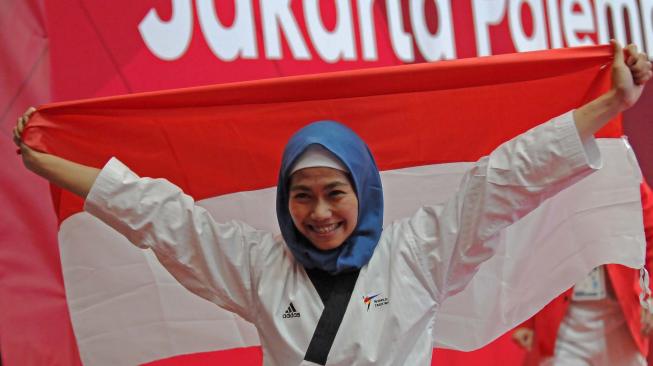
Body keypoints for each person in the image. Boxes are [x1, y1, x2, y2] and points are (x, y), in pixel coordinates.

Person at [13, 42, 652, 365]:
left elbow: (506, 179)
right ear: (285, 200)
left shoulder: (420, 252)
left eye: (335, 194)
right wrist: (54, 166)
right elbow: (160, 217)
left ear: (364, 193)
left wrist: (604, 107)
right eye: (303, 196)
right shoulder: (256, 265)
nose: (319, 213)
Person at [512, 180, 653, 366]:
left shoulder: (626, 172)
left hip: (622, 320)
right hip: (565, 325)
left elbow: (651, 237)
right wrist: (526, 320)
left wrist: (651, 298)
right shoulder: (552, 173)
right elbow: (532, 248)